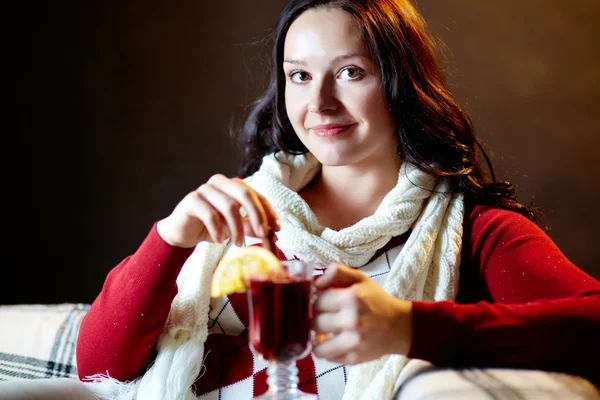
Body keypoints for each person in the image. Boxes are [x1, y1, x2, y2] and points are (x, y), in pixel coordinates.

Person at [74, 0, 600, 399]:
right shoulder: (237, 216)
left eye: (351, 72)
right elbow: (98, 364)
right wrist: (168, 240)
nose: (319, 103)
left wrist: (407, 327)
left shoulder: (473, 228)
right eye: (299, 76)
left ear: (402, 83)